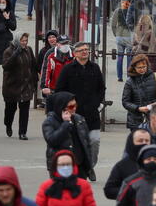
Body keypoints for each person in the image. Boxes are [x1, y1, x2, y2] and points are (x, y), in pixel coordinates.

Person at [55, 41, 106, 169]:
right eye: (82, 50)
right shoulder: (68, 69)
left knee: (94, 141)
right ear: (75, 53)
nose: (85, 52)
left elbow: (101, 88)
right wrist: (67, 107)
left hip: (92, 113)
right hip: (75, 114)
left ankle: (90, 166)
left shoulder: (94, 68)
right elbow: (59, 90)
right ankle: (79, 168)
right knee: (75, 143)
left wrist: (98, 103)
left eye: (86, 49)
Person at [41, 91, 94, 176]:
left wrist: (88, 163)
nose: (74, 108)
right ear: (62, 107)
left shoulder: (79, 119)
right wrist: (65, 124)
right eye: (71, 106)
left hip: (80, 165)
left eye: (75, 105)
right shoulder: (49, 122)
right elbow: (51, 140)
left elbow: (86, 141)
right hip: (61, 165)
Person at [1, 33, 37, 140]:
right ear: (17, 41)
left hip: (26, 85)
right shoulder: (8, 51)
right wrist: (16, 54)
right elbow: (6, 66)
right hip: (12, 86)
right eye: (22, 41)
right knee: (10, 109)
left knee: (24, 110)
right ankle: (8, 124)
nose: (24, 43)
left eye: (26, 41)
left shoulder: (29, 50)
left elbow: (34, 66)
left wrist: (35, 80)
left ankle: (22, 132)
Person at [121, 53, 156, 132]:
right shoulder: (130, 81)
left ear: (147, 66)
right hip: (135, 120)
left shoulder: (155, 76)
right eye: (139, 67)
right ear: (134, 68)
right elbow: (125, 102)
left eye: (144, 67)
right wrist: (138, 108)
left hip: (153, 117)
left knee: (154, 142)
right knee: (139, 142)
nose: (142, 69)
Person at [105, 129, 152, 201]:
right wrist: (129, 192)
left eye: (147, 141)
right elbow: (109, 190)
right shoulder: (122, 166)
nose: (144, 144)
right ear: (132, 142)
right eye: (140, 141)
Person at [110, 0, 136, 83]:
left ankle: (119, 77)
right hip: (128, 36)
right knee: (129, 57)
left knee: (120, 57)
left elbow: (113, 24)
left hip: (119, 36)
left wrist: (115, 34)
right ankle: (129, 76)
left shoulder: (117, 11)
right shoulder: (132, 11)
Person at [39, 34, 72, 100]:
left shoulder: (73, 52)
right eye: (62, 43)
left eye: (67, 43)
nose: (65, 45)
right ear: (57, 44)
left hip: (70, 89)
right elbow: (45, 70)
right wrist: (44, 86)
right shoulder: (50, 54)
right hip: (54, 89)